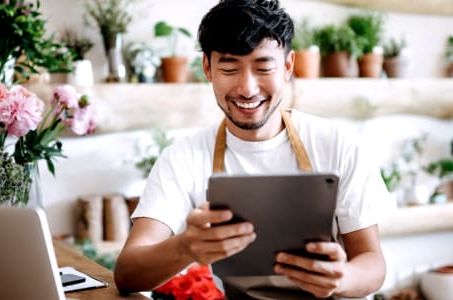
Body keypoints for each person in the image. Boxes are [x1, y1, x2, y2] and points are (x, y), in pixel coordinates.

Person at [114, 0, 395, 298]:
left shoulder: (339, 144)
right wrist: (185, 247)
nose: (247, 88)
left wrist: (342, 279)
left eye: (263, 67)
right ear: (207, 68)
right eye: (229, 68)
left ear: (287, 67)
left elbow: (372, 263)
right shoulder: (182, 158)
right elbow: (127, 273)